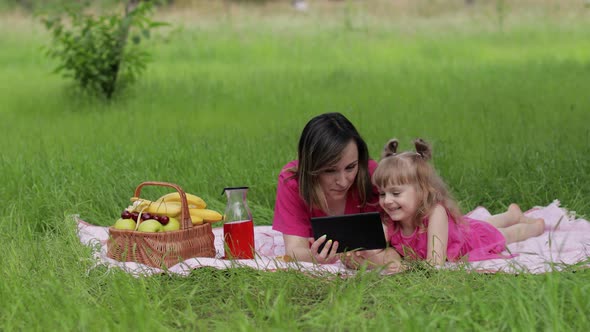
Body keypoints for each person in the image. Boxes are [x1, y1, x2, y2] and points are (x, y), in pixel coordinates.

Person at [357, 137, 546, 266]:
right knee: (476, 224)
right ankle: (512, 214)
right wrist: (364, 253)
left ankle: (533, 226)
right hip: (460, 229)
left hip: (468, 241)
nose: (387, 201)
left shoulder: (434, 213)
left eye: (396, 193)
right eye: (382, 194)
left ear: (422, 192)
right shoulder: (392, 220)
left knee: (501, 234)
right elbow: (371, 246)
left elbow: (435, 262)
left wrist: (403, 266)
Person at [272, 112, 402, 268]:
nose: (342, 181)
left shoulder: (371, 174)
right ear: (310, 167)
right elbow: (294, 250)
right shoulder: (293, 181)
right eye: (330, 170)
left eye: (350, 167)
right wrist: (314, 256)